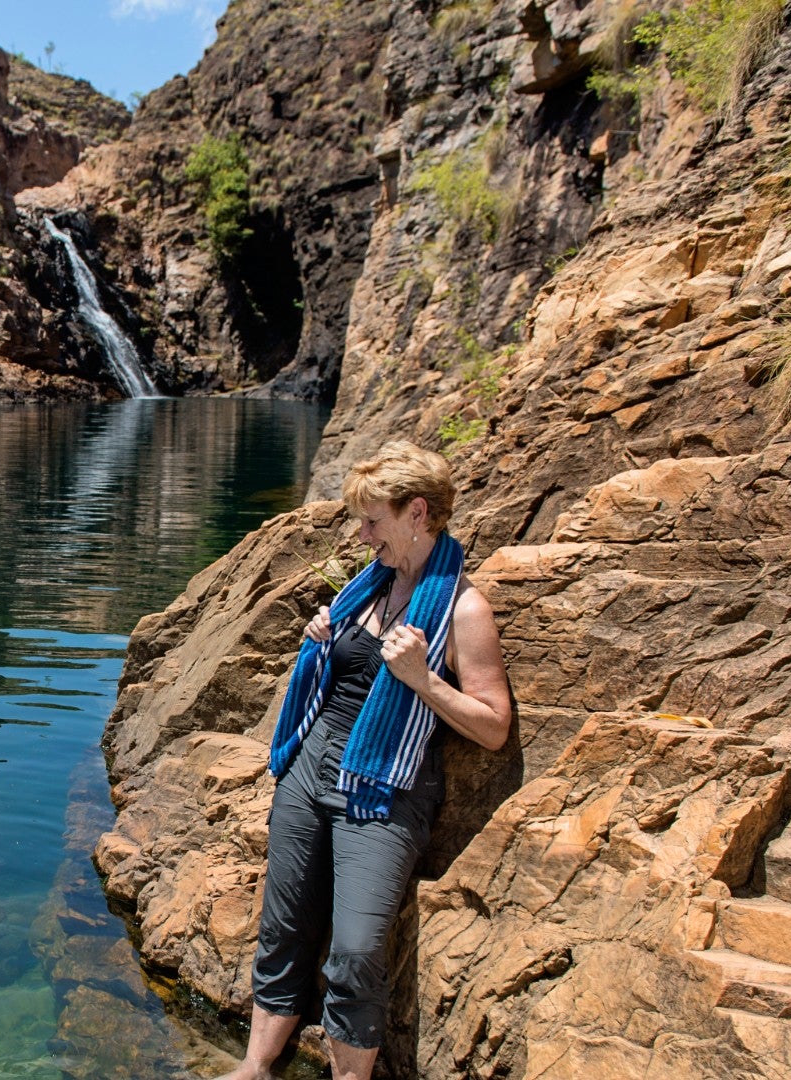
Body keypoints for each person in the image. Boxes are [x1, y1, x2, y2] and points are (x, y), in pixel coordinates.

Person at [216, 441, 512, 1080]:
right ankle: (257, 1065)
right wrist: (322, 640)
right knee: (285, 920)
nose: (361, 534)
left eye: (372, 520)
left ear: (419, 514)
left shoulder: (463, 608)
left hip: (385, 786)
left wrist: (423, 679)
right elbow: (340, 674)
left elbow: (493, 729)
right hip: (311, 766)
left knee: (355, 949)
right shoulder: (367, 587)